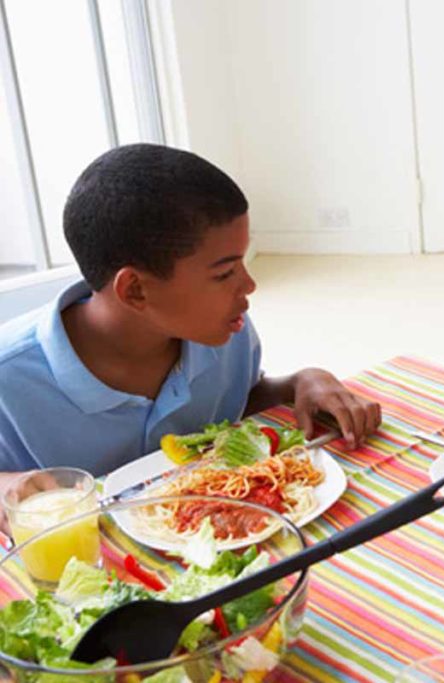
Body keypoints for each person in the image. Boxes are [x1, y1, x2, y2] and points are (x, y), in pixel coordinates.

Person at [0, 144, 381, 497]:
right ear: (134, 290)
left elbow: (232, 406)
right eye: (224, 273)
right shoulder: (9, 378)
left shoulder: (225, 332)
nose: (249, 285)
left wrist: (295, 384)